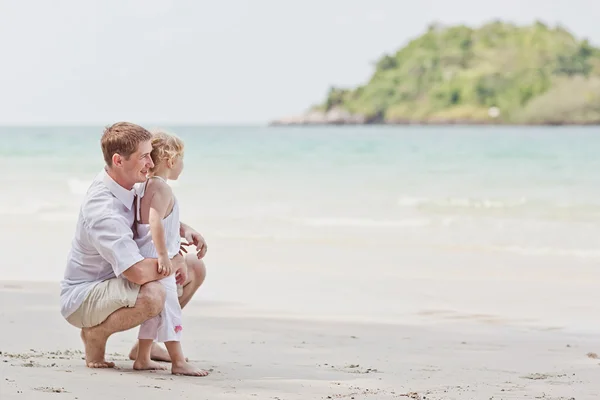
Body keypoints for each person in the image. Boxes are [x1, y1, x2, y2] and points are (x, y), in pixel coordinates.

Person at [59, 122, 208, 369]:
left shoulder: (131, 182)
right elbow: (136, 273)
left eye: (151, 154)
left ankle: (144, 348)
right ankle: (95, 334)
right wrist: (173, 261)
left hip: (119, 280)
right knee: (155, 294)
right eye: (145, 157)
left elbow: (152, 215)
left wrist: (184, 228)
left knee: (195, 268)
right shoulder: (102, 209)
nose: (152, 163)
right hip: (85, 295)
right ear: (118, 160)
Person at [132, 129, 207, 376]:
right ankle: (178, 361)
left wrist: (183, 231)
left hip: (148, 257)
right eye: (182, 160)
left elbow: (160, 220)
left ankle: (143, 357)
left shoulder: (146, 186)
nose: (182, 165)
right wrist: (165, 255)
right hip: (158, 261)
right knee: (171, 309)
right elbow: (154, 221)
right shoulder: (162, 189)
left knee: (155, 314)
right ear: (170, 160)